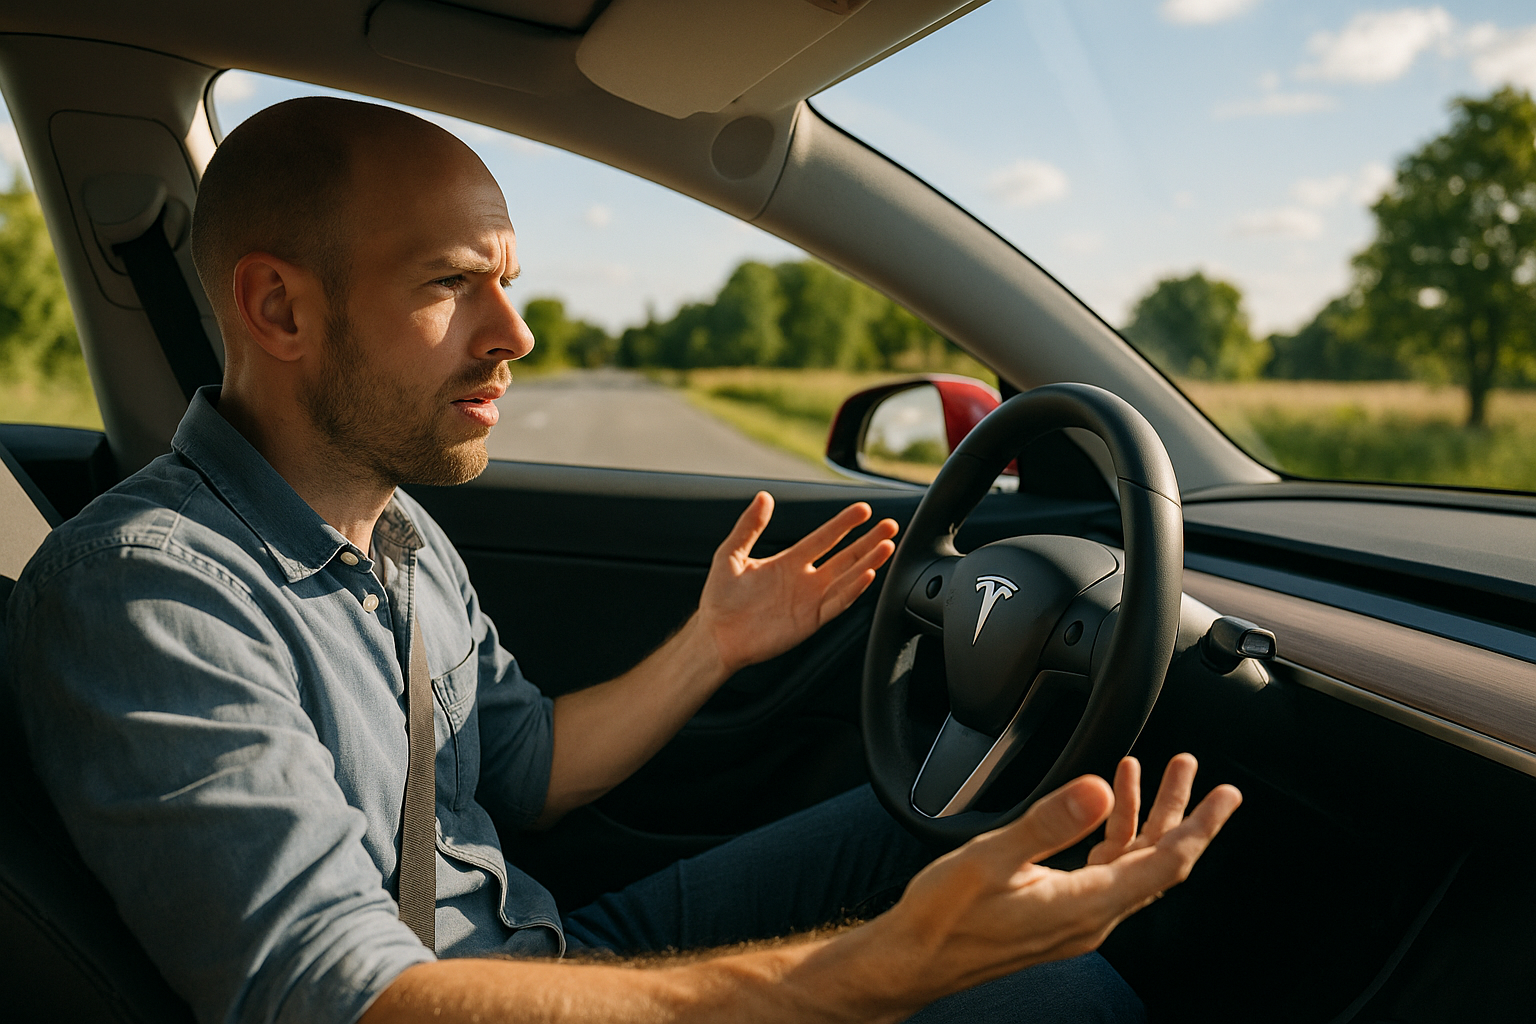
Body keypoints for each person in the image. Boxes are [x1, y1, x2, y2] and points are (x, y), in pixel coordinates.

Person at [5, 97, 1241, 1024]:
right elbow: (345, 996)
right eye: (452, 284)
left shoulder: (399, 529)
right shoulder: (148, 592)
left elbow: (526, 767)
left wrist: (714, 644)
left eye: (508, 282)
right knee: (1060, 999)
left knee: (922, 822)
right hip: (452, 993)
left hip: (549, 943)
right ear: (279, 309)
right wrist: (866, 974)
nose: (516, 332)